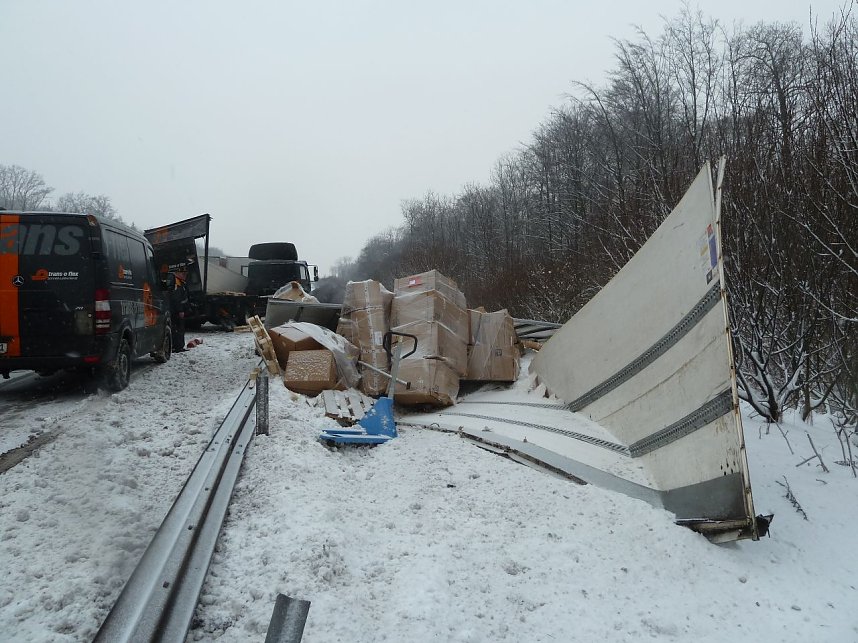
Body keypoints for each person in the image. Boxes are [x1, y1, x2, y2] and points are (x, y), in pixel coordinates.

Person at [169, 272, 189, 352]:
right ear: (177, 274)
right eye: (183, 273)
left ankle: (179, 346)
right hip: (176, 312)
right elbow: (177, 299)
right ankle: (177, 346)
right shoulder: (176, 284)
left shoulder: (180, 283)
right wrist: (180, 310)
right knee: (178, 329)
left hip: (178, 311)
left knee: (179, 328)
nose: (185, 275)